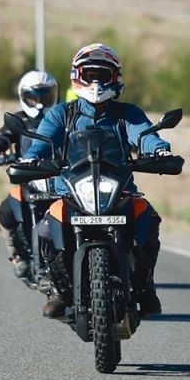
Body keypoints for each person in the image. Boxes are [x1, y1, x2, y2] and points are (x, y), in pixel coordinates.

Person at [22, 43, 171, 318]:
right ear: (77, 76)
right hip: (71, 192)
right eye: (89, 75)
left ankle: (144, 287)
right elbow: (41, 142)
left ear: (115, 77)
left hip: (119, 191)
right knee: (46, 228)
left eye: (102, 76)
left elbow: (145, 135)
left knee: (148, 219)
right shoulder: (61, 114)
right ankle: (59, 290)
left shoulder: (128, 114)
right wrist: (31, 158)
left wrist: (159, 150)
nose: (95, 83)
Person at [0, 70, 59, 277]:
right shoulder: (18, 120)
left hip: (59, 179)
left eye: (45, 96)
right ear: (24, 96)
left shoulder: (61, 117)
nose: (39, 103)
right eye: (34, 97)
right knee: (6, 211)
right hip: (29, 178)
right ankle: (17, 255)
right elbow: (2, 137)